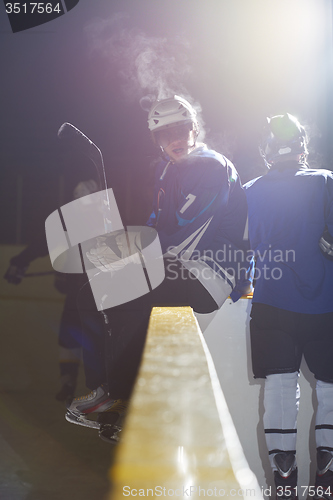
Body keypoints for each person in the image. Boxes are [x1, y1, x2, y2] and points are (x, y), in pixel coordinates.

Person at [66, 95, 252, 442]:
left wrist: (132, 255)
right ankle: (114, 394)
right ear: (157, 141)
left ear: (194, 128)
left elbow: (188, 237)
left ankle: (117, 394)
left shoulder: (211, 166)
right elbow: (156, 224)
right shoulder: (166, 169)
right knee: (94, 294)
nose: (174, 140)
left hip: (209, 274)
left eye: (180, 130)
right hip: (178, 268)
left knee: (113, 292)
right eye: (164, 135)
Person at [244, 113, 333, 499]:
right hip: (326, 307)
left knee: (280, 390)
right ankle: (326, 479)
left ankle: (284, 484)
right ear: (302, 147)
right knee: (331, 390)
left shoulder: (248, 189)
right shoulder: (326, 181)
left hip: (271, 304)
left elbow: (237, 251)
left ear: (266, 151)